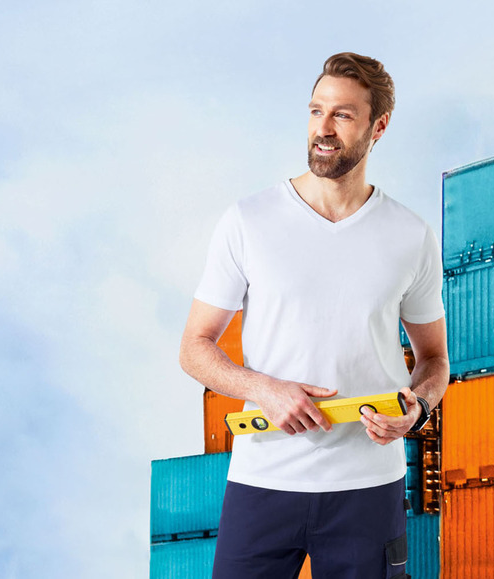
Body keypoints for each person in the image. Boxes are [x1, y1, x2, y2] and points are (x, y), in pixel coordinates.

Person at [179, 52, 449, 578]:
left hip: (368, 491)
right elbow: (194, 347)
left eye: (342, 115)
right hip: (263, 482)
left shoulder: (410, 235)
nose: (322, 129)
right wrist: (264, 389)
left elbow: (435, 359)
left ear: (379, 126)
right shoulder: (248, 221)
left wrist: (417, 407)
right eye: (315, 111)